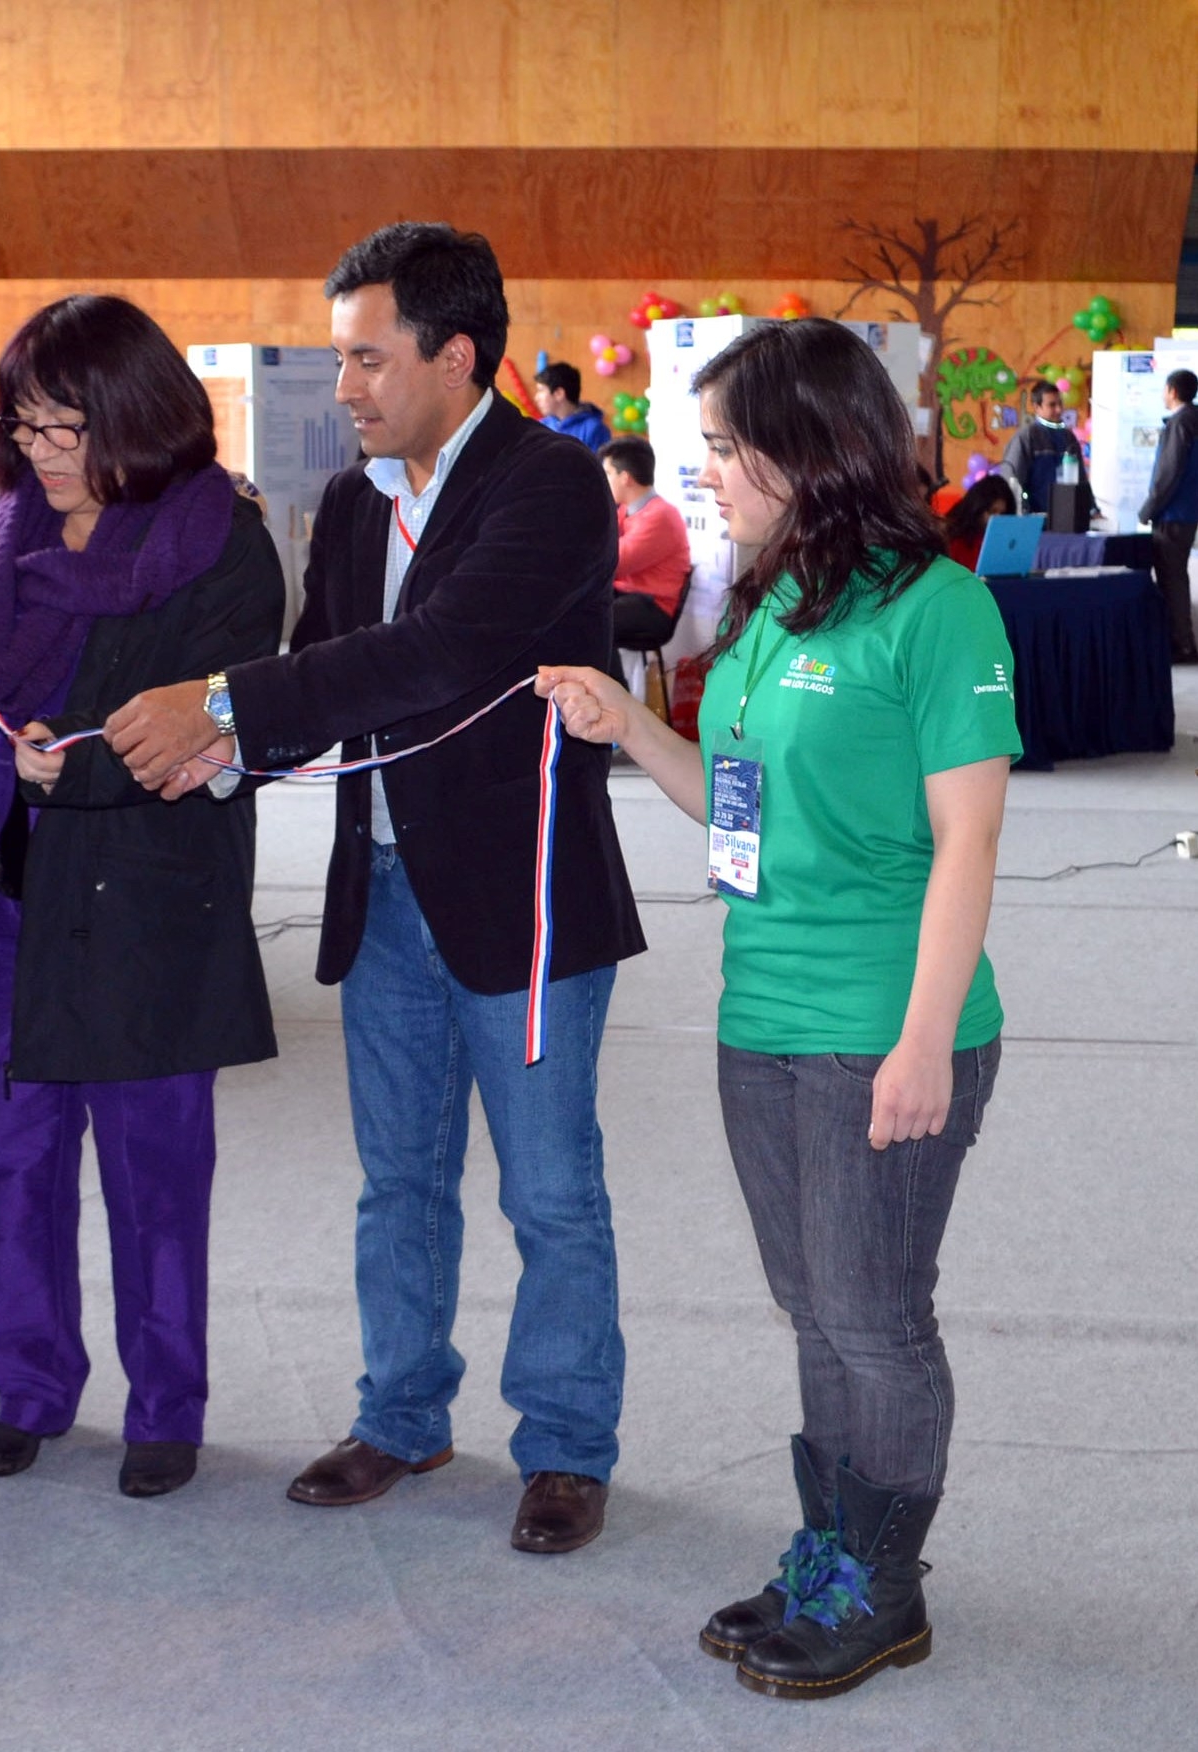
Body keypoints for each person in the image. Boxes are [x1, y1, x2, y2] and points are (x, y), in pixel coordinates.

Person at [106, 223, 645, 1552]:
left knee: (547, 1190)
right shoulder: (351, 503)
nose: (338, 389)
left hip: (521, 900)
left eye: (362, 358)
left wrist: (217, 697)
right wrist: (223, 752)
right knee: (395, 1181)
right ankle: (399, 1415)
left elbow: (432, 655)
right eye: (336, 358)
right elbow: (324, 669)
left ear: (453, 357)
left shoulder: (546, 486)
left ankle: (566, 1443)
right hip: (381, 894)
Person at [538, 316, 1016, 1700]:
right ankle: (829, 1554)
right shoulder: (769, 604)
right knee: (811, 1308)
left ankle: (883, 1586)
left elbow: (966, 845)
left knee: (871, 1315)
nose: (707, 479)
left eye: (724, 452)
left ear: (808, 450)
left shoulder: (936, 609)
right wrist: (629, 729)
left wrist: (923, 1039)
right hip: (761, 1012)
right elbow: (736, 811)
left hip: (882, 1021)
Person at [0, 295, 284, 1498]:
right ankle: (30, 1389)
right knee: (11, 1159)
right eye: (27, 424)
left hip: (143, 900)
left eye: (70, 426)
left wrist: (93, 767)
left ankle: (166, 1407)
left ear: (136, 416)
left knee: (154, 1167)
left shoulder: (218, 539)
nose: (44, 450)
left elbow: (234, 714)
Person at [599, 435, 690, 646]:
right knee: (578, 610)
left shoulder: (660, 515)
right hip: (629, 596)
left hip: (653, 607)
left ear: (626, 478)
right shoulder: (625, 511)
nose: (604, 480)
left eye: (608, 473)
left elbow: (613, 562)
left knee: (592, 621)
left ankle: (613, 680)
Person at [1137, 366, 1198, 663]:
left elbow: (1169, 471)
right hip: (1187, 511)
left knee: (1172, 579)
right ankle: (1182, 640)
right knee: (1177, 578)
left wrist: (1149, 508)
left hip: (1173, 513)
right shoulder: (1194, 420)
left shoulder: (1181, 422)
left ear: (1172, 391)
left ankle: (1181, 644)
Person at [998, 380, 1089, 528]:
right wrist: (1022, 516)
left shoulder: (1069, 438)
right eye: (1052, 405)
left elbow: (1081, 480)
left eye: (1060, 404)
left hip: (1066, 520)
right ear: (1036, 407)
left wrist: (1091, 508)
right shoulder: (1026, 437)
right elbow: (1012, 482)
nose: (1059, 409)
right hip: (1034, 522)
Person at [940, 474, 1016, 573]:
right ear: (977, 509)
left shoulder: (1004, 539)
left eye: (1002, 514)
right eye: (992, 512)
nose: (997, 519)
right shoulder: (956, 540)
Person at [532, 361, 610, 451]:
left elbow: (598, 464)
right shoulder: (541, 426)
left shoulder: (594, 429)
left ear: (559, 394)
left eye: (541, 390)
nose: (536, 398)